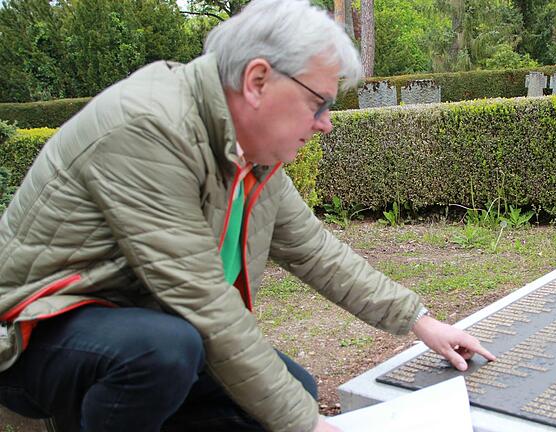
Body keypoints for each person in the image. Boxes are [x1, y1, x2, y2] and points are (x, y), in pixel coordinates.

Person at [0, 1, 495, 431]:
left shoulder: (252, 154)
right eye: (318, 103)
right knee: (162, 353)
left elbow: (316, 252)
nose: (325, 124)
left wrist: (420, 321)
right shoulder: (148, 128)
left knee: (292, 391)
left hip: (142, 325)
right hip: (32, 338)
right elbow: (204, 302)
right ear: (257, 80)